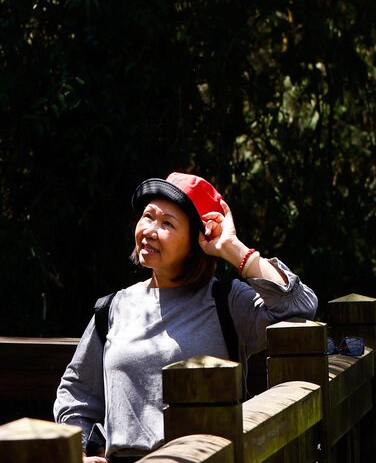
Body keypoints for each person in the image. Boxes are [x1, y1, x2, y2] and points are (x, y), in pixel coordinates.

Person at [54, 172, 318, 462]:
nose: (151, 230)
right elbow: (77, 389)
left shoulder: (225, 300)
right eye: (148, 216)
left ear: (197, 240)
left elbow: (299, 306)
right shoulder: (113, 307)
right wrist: (79, 450)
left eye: (168, 223)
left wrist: (233, 249)